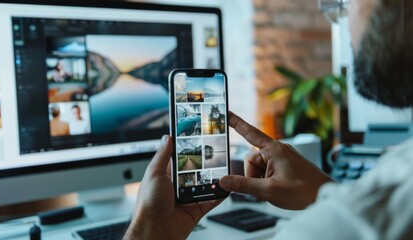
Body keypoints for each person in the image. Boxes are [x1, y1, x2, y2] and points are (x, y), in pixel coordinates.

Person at [124, 0, 413, 239]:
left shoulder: (356, 220)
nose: (342, 18)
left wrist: (152, 230)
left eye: (346, 1)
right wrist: (324, 193)